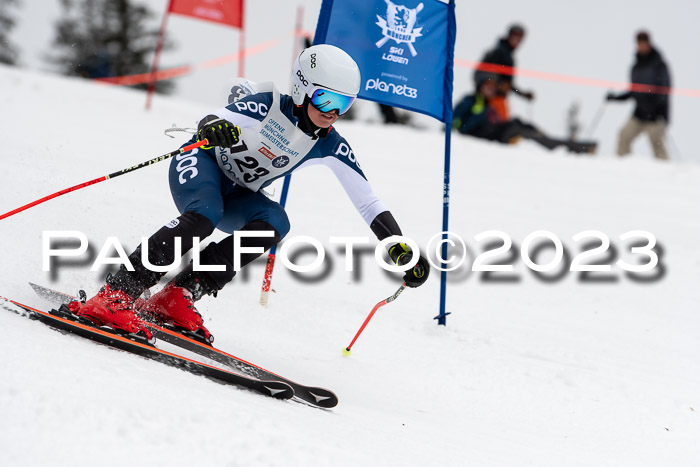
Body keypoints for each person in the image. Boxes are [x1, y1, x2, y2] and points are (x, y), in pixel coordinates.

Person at [74, 44, 430, 341]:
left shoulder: (330, 144)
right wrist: (217, 128)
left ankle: (179, 294)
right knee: (205, 215)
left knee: (276, 221)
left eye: (344, 104)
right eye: (325, 99)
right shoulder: (267, 104)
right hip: (200, 165)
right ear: (303, 87)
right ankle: (117, 293)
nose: (332, 112)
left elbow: (368, 202)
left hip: (239, 192)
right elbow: (213, 118)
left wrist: (399, 246)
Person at [454, 77, 596, 154]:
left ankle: (575, 146)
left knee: (522, 124)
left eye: (492, 88)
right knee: (522, 131)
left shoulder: (489, 105)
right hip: (494, 133)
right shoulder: (470, 101)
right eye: (487, 87)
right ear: (480, 87)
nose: (490, 91)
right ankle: (575, 148)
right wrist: (475, 117)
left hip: (502, 130)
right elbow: (456, 121)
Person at [607, 31, 671, 160]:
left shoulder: (659, 65)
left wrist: (657, 109)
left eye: (644, 43)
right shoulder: (636, 67)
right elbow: (633, 92)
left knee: (657, 143)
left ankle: (666, 173)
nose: (642, 46)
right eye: (639, 44)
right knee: (623, 136)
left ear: (648, 44)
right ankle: (624, 167)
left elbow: (665, 90)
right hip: (639, 114)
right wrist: (615, 98)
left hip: (656, 115)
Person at [473, 24, 535, 122]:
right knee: (498, 127)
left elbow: (508, 84)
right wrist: (495, 85)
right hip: (488, 100)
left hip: (498, 99)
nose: (516, 42)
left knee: (503, 126)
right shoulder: (498, 52)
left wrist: (522, 94)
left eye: (519, 39)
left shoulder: (508, 56)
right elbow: (482, 74)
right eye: (515, 37)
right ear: (509, 36)